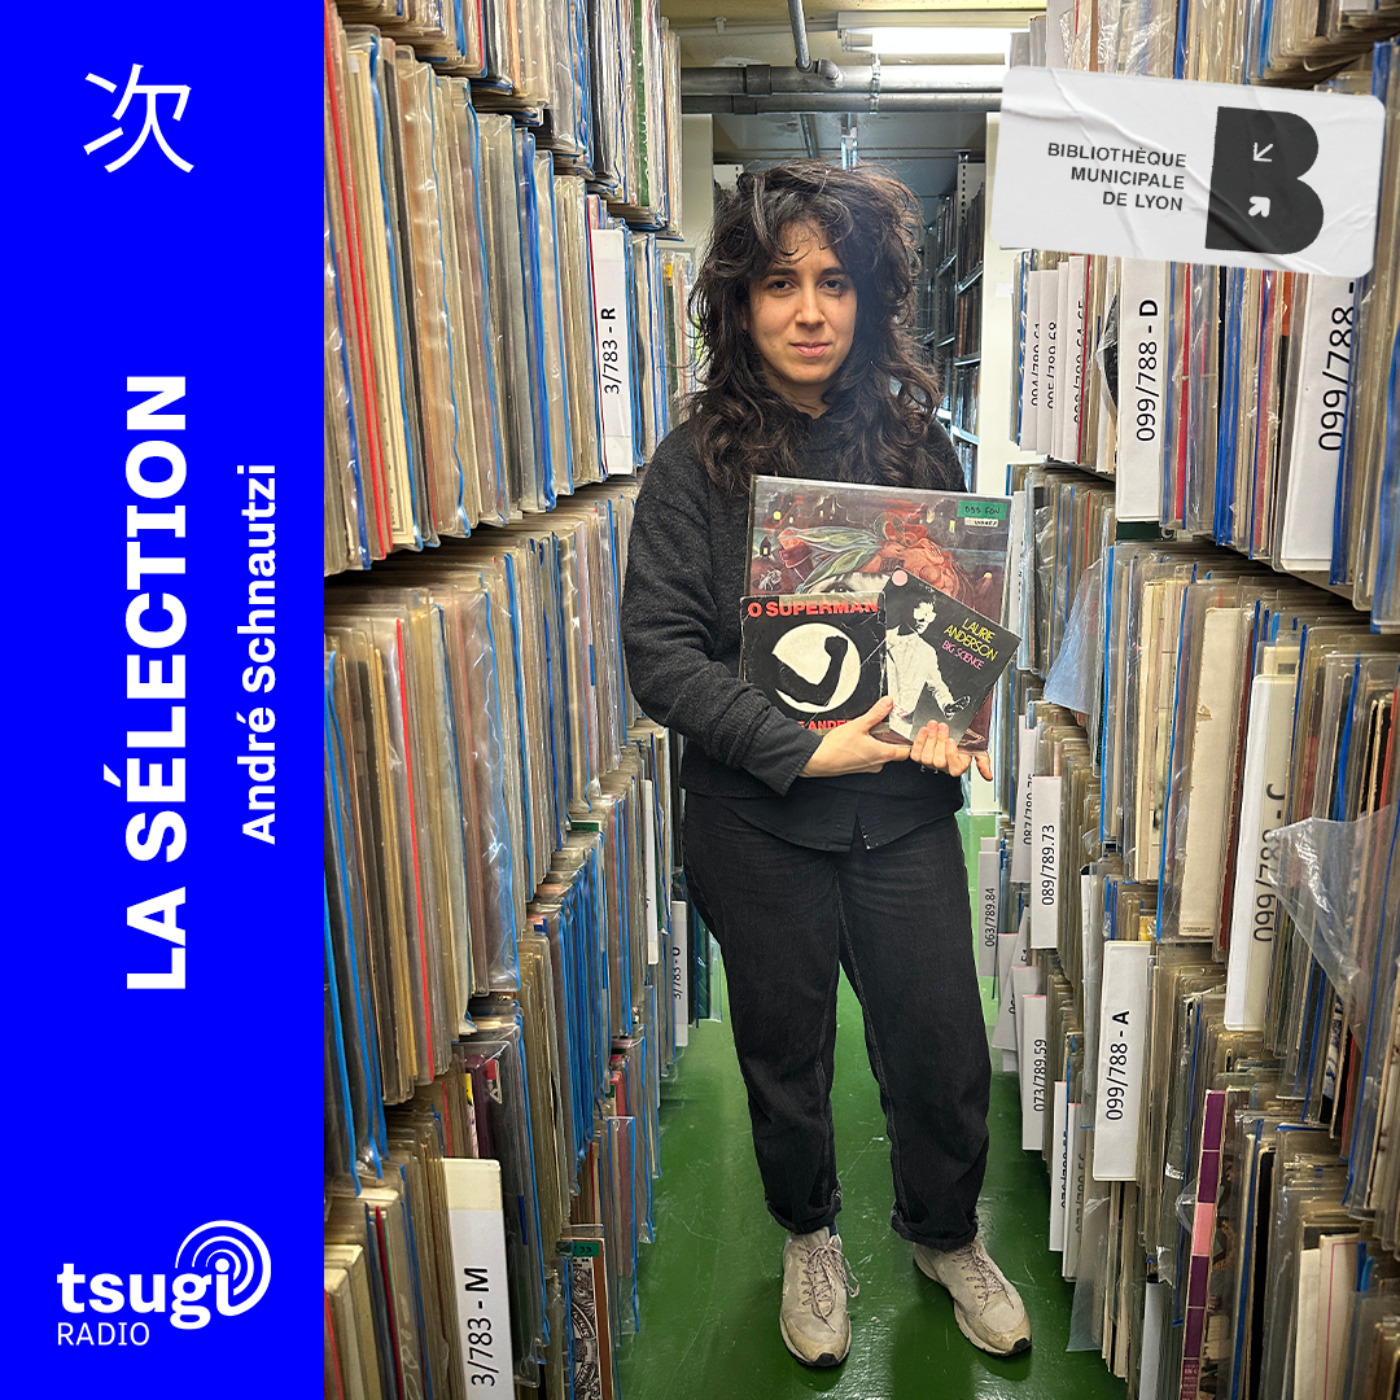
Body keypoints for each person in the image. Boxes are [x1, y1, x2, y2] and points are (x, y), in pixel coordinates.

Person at [620, 160, 1031, 1367]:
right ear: (739, 302)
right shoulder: (691, 464)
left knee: (940, 1043)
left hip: (901, 814)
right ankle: (808, 1233)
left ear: (870, 296)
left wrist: (956, 709)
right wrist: (802, 747)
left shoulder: (917, 446)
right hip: (756, 824)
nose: (809, 310)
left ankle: (945, 1234)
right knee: (782, 1054)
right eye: (780, 283)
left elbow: (954, 611)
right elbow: (659, 656)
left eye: (834, 282)